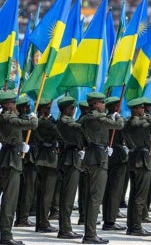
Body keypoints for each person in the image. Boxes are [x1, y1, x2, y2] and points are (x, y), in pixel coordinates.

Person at [80, 92, 124, 244]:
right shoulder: (98, 117)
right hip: (99, 159)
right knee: (95, 198)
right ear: (97, 104)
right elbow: (119, 125)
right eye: (103, 103)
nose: (104, 106)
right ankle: (90, 235)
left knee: (90, 197)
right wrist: (116, 115)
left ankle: (89, 232)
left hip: (90, 156)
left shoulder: (85, 118)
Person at [0, 92, 38, 245]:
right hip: (11, 161)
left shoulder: (7, 117)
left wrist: (19, 144)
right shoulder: (8, 117)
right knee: (10, 199)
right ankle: (6, 235)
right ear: (8, 104)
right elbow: (32, 125)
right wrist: (33, 116)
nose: (15, 106)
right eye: (13, 103)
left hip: (9, 157)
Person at [124, 97, 151, 236]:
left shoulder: (127, 123)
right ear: (135, 110)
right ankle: (136, 226)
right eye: (141, 108)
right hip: (142, 161)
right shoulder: (140, 123)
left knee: (134, 195)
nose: (143, 110)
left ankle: (131, 225)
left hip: (133, 159)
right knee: (140, 196)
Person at [56, 95, 83, 239]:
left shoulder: (67, 120)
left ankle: (65, 228)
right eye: (72, 107)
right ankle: (65, 229)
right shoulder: (64, 121)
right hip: (69, 160)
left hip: (71, 158)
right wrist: (89, 116)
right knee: (68, 197)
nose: (74, 110)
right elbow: (79, 127)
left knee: (69, 196)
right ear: (66, 109)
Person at [102, 97, 127, 231]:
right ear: (115, 107)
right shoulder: (115, 120)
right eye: (118, 105)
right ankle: (110, 221)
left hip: (110, 156)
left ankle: (108, 218)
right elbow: (123, 127)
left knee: (109, 190)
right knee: (114, 190)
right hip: (117, 157)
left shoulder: (106, 118)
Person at [34, 98, 59, 233]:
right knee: (46, 195)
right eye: (47, 108)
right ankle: (43, 223)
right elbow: (56, 129)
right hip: (47, 160)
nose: (49, 110)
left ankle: (41, 222)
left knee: (43, 193)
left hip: (43, 159)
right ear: (42, 109)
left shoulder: (41, 120)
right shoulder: (43, 122)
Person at [14, 96, 38, 227]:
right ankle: (22, 217)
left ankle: (21, 216)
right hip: (26, 159)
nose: (29, 109)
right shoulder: (24, 121)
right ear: (22, 108)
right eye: (27, 107)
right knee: (27, 189)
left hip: (24, 157)